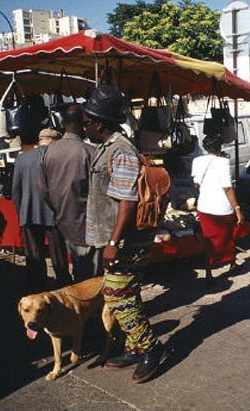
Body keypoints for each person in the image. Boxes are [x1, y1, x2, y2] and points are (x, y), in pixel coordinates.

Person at [82, 85, 167, 383]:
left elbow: (128, 201)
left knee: (116, 294)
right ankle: (133, 347)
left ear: (100, 122)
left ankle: (151, 348)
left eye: (87, 121)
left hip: (127, 240)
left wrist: (114, 242)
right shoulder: (106, 148)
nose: (85, 126)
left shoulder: (121, 150)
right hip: (115, 237)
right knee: (127, 292)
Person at [43, 104, 99, 283]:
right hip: (86, 227)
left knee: (79, 274)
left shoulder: (50, 151)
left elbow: (43, 190)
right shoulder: (89, 152)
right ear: (81, 123)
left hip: (62, 222)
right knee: (90, 280)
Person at [193, 135, 250, 286]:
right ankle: (231, 263)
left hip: (204, 206)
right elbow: (227, 188)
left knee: (209, 240)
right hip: (222, 207)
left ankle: (209, 273)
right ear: (219, 147)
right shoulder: (223, 162)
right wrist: (238, 209)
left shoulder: (197, 161)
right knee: (228, 237)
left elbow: (196, 185)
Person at [12, 129, 71, 292]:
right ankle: (64, 289)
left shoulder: (23, 158)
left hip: (29, 212)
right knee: (58, 256)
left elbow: (16, 190)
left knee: (34, 258)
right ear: (53, 141)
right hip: (53, 213)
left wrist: (21, 212)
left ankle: (37, 291)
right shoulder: (57, 157)